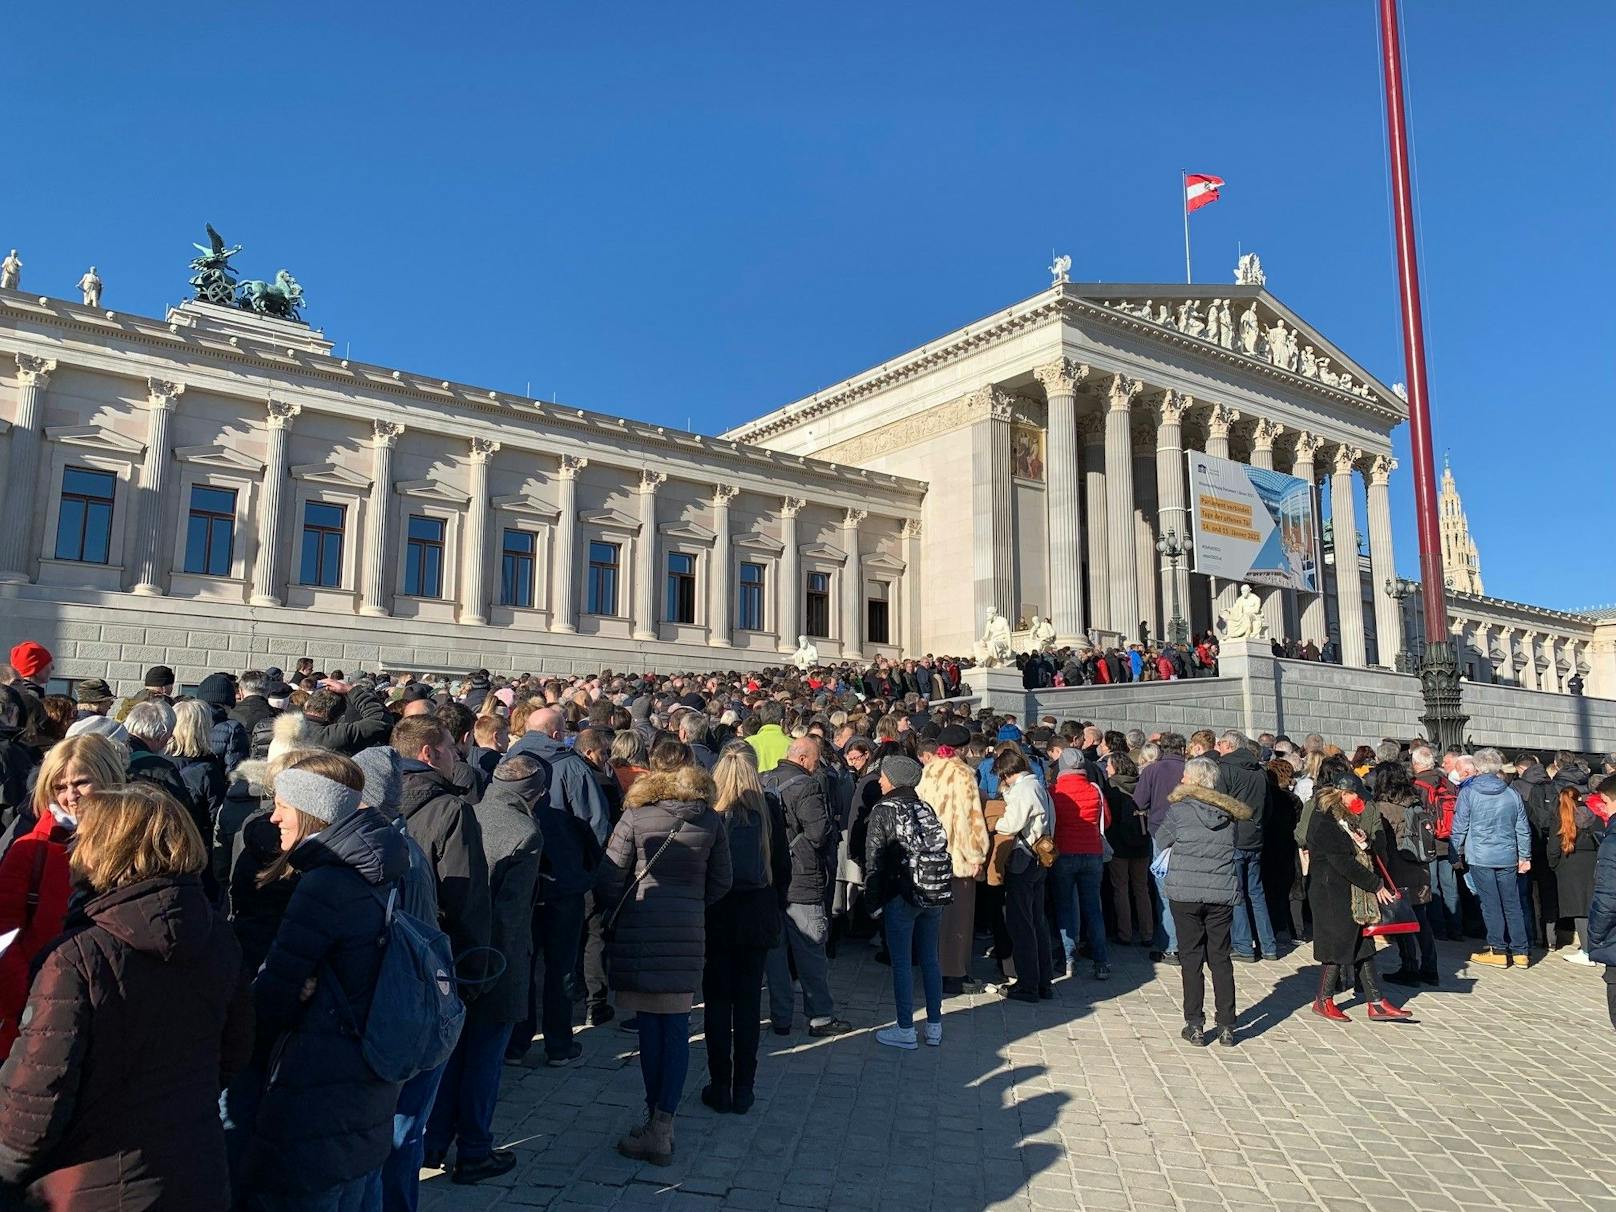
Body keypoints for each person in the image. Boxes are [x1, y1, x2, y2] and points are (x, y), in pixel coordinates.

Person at [0, 782, 251, 1210]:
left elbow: (35, 1102)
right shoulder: (218, 936)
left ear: (105, 849)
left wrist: (7, 1173)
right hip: (194, 1170)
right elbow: (235, 1050)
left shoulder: (76, 958)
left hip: (87, 1183)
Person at [239, 751, 411, 1209]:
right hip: (364, 1076)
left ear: (311, 811)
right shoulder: (383, 858)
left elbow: (275, 993)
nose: (274, 816)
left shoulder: (325, 883)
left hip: (315, 1082)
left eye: (283, 805)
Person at [597, 738, 732, 1166]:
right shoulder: (709, 820)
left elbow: (611, 875)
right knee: (675, 1028)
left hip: (641, 927)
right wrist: (693, 904)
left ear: (651, 769)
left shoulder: (635, 816)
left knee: (650, 1030)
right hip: (686, 931)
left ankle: (655, 1121)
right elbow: (722, 880)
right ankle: (663, 1122)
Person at [424, 750, 543, 1185]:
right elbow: (512, 917)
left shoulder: (463, 813)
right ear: (534, 794)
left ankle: (433, 1142)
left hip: (452, 955)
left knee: (450, 1055)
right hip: (494, 962)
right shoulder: (525, 831)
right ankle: (474, 1150)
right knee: (484, 1062)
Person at [0, 734, 125, 1060]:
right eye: (59, 786)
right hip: (40, 1014)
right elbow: (3, 933)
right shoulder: (31, 848)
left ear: (108, 778)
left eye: (81, 783)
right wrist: (32, 1000)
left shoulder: (133, 844)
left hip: (114, 1010)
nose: (70, 796)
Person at [701, 743, 788, 1112]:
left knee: (717, 1003)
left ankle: (720, 1084)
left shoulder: (710, 812)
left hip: (717, 913)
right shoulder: (767, 808)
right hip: (756, 911)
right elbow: (783, 867)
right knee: (749, 1003)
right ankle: (745, 1087)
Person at [1154, 756, 1250, 1046]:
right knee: (1220, 958)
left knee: (1191, 958)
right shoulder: (1228, 814)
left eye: (1185, 776)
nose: (1181, 779)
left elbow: (1161, 840)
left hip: (1185, 892)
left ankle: (1194, 1023)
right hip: (1220, 891)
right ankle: (1227, 1026)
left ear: (1193, 780)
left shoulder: (1179, 811)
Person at [764, 736, 850, 1037]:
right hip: (802, 880)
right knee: (811, 954)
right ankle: (821, 1017)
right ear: (802, 758)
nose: (817, 765)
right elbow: (817, 834)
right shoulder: (807, 786)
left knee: (775, 957)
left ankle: (781, 1018)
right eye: (815, 759)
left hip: (771, 881)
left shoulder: (765, 781)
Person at [1307, 773, 1411, 1022]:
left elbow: (1357, 851)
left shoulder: (1345, 818)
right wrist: (1376, 885)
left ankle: (1376, 1001)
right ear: (1343, 794)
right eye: (1356, 794)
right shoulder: (1325, 820)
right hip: (1331, 892)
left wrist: (1365, 843)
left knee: (1362, 944)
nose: (1359, 800)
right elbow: (1342, 861)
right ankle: (1323, 999)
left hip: (1349, 892)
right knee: (1337, 945)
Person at [864, 753, 950, 1048]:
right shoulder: (923, 806)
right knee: (930, 959)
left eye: (884, 775)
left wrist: (872, 902)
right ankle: (935, 1026)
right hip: (932, 889)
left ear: (895, 779)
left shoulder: (883, 809)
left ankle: (905, 1028)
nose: (879, 780)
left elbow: (874, 858)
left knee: (901, 963)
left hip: (900, 893)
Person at [915, 724, 989, 995]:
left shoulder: (928, 771)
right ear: (964, 748)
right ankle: (954, 972)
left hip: (931, 854)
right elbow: (971, 819)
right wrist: (976, 855)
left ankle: (933, 967)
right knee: (959, 919)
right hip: (957, 854)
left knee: (936, 917)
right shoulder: (963, 774)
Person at [1451, 747, 1532, 968]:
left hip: (1480, 855)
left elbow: (1460, 826)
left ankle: (1497, 949)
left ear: (1477, 768)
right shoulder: (1511, 793)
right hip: (1507, 855)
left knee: (1490, 904)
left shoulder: (1469, 793)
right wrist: (1524, 855)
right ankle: (1520, 952)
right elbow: (1522, 829)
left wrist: (1454, 851)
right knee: (1512, 903)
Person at [991, 746, 1054, 1002]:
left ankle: (1027, 984)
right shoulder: (1040, 787)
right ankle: (1043, 980)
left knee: (1021, 923)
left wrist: (995, 823)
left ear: (1006, 773)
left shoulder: (1024, 790)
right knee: (1038, 921)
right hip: (1041, 858)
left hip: (1024, 859)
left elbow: (1012, 824)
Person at [1370, 761, 1439, 988]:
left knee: (1403, 921)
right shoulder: (1416, 801)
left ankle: (1409, 967)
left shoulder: (1382, 807)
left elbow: (1382, 845)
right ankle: (1430, 968)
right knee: (1423, 920)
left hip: (1397, 871)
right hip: (1420, 868)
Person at [1214, 731, 1277, 963]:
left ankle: (1243, 946)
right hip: (1256, 836)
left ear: (1228, 745)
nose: (1217, 747)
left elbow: (1218, 804)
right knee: (1256, 893)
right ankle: (1268, 945)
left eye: (1220, 743)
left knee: (1237, 892)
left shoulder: (1225, 769)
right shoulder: (1259, 771)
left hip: (1234, 836)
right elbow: (1268, 806)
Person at [1049, 747, 1110, 979]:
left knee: (1064, 907)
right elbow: (1107, 819)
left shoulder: (1054, 791)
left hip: (1063, 853)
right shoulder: (1095, 790)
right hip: (1092, 852)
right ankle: (1101, 961)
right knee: (1093, 908)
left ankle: (1068, 960)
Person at [1135, 732, 1186, 963]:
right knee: (1187, 888)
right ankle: (1188, 942)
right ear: (1183, 749)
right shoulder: (1192, 769)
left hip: (1160, 833)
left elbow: (1139, 801)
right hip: (1190, 832)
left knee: (1164, 889)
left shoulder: (1152, 770)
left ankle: (1172, 945)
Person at [1548, 783, 1604, 963]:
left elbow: (1553, 849)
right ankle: (1594, 947)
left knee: (1579, 910)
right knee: (1591, 907)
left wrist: (1554, 866)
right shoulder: (1592, 816)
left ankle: (1587, 952)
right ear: (1579, 797)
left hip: (1570, 865)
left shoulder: (1561, 817)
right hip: (1592, 864)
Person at [1103, 751, 1153, 947]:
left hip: (1118, 845)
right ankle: (1147, 933)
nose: (1106, 768)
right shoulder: (1141, 783)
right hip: (1141, 843)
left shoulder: (1111, 787)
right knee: (1142, 889)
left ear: (1115, 767)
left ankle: (1125, 933)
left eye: (1109, 765)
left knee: (1120, 889)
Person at [1583, 776, 1616, 1027]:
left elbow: (1607, 898)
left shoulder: (1612, 841)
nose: (1602, 808)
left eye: (1605, 802)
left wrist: (1595, 937)